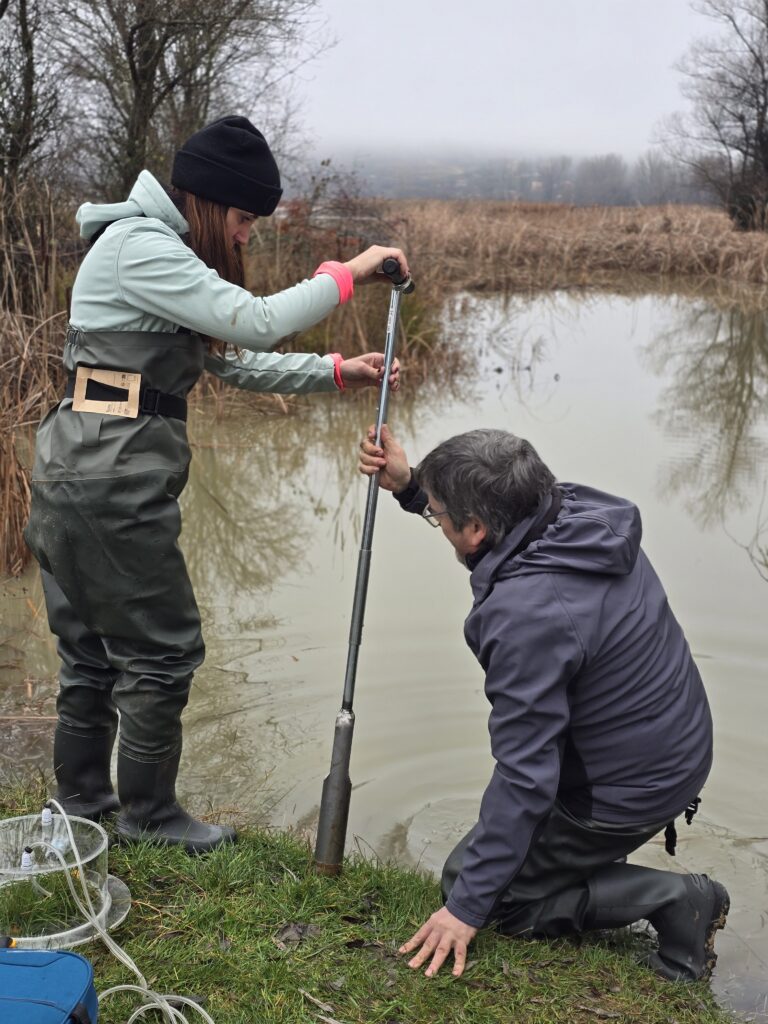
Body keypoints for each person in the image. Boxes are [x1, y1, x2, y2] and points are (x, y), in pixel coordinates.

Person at [24, 115, 409, 854]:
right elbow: (258, 322)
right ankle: (148, 815)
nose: (244, 236)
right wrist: (348, 271)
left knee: (89, 653)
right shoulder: (142, 247)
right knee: (164, 650)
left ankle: (81, 803)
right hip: (111, 478)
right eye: (242, 219)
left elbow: (229, 360)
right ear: (206, 202)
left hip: (78, 466)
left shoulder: (148, 253)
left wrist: (335, 372)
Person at [358, 424, 729, 983]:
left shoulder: (527, 615)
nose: (436, 520)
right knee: (491, 865)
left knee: (477, 888)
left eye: (438, 514)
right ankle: (587, 863)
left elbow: (527, 776)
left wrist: (466, 910)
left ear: (477, 527)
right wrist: (413, 487)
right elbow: (495, 530)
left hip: (628, 786)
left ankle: (677, 900)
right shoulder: (577, 514)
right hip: (675, 743)